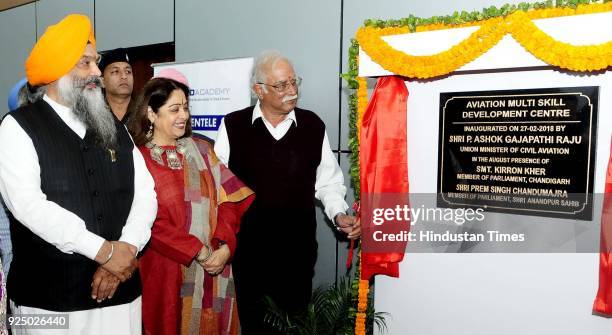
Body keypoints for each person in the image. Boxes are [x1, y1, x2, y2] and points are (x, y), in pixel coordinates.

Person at [0, 14, 157, 334]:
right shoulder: (16, 127)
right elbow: (29, 206)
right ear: (57, 71)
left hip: (121, 298)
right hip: (45, 305)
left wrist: (125, 250)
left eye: (95, 62)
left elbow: (145, 193)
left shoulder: (113, 125)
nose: (96, 72)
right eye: (84, 63)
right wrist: (105, 252)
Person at [214, 50, 361, 333]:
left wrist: (339, 213)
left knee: (293, 326)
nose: (291, 91)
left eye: (294, 82)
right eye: (281, 85)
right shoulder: (233, 126)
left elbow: (328, 182)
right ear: (259, 90)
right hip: (249, 255)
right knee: (252, 325)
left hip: (298, 254)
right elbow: (218, 189)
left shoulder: (312, 125)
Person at [128, 70, 254, 335]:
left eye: (185, 107)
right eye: (174, 109)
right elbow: (148, 222)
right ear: (151, 113)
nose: (183, 115)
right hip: (165, 273)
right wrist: (199, 251)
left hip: (216, 268)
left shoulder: (204, 150)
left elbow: (230, 199)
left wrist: (224, 246)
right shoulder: (138, 159)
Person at [99, 48, 134, 123]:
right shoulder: (94, 113)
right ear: (102, 82)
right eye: (115, 71)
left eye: (128, 72)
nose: (124, 76)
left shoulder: (145, 111)